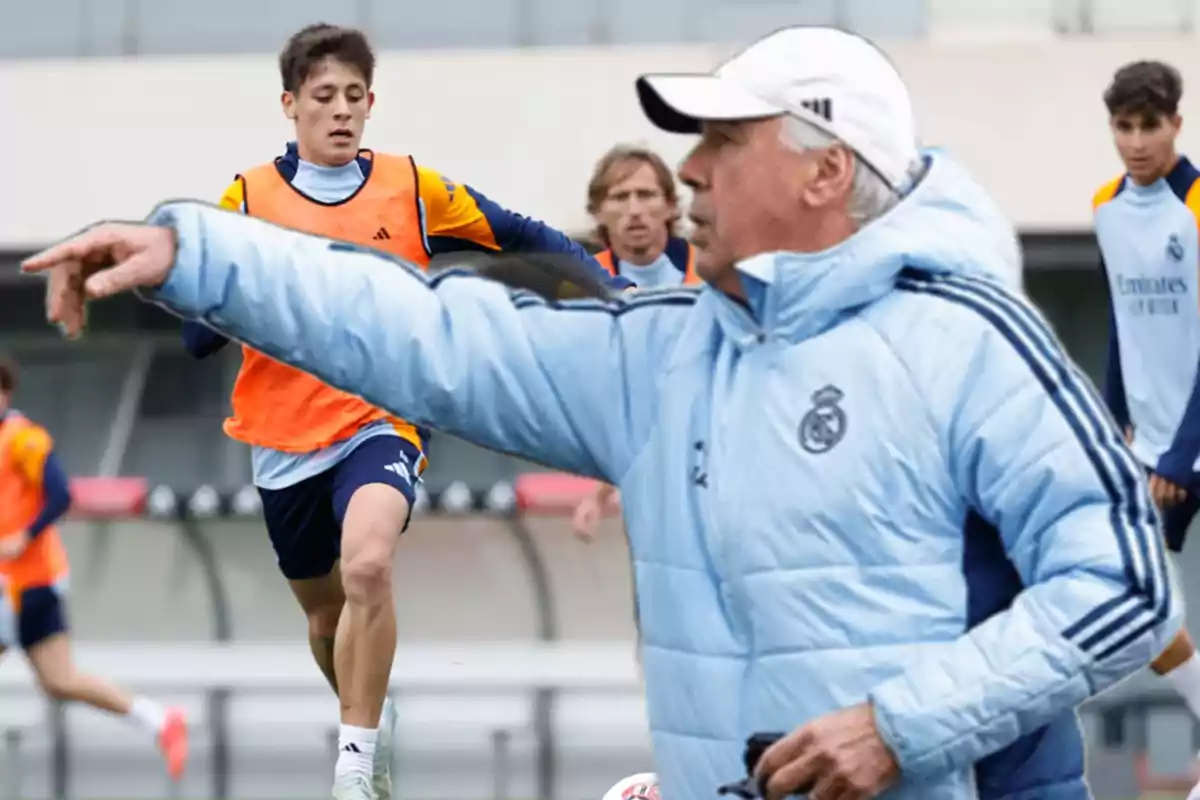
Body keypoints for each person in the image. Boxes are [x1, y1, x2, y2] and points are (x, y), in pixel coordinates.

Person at [25, 24, 1183, 800]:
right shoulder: (668, 349)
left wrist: (898, 726)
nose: (691, 171)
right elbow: (431, 335)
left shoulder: (971, 338)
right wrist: (197, 251)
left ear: (826, 175)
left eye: (723, 142)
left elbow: (1126, 588)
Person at [177, 23, 626, 800]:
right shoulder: (246, 198)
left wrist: (613, 296)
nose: (342, 111)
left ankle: (352, 769)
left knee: (369, 565)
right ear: (290, 105)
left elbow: (522, 234)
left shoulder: (412, 187)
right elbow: (194, 331)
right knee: (326, 623)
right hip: (282, 441)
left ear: (372, 102)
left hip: (381, 418)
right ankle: (370, 732)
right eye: (324, 97)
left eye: (355, 96)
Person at [0, 356, 188, 781]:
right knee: (59, 680)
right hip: (23, 583)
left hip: (24, 584)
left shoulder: (21, 439)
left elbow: (60, 494)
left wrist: (24, 537)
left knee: (59, 679)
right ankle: (158, 720)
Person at [1094, 59, 1200, 798]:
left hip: (1186, 447)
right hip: (1151, 448)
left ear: (1176, 125)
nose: (1135, 142)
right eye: (1123, 126)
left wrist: (1183, 456)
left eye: (1149, 125)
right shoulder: (1104, 205)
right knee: (1139, 605)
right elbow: (1121, 325)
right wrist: (1109, 430)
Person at [573, 145, 697, 541]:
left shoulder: (711, 278)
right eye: (620, 197)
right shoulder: (581, 294)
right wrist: (602, 487)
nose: (635, 210)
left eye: (646, 195)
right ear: (598, 212)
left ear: (671, 207)